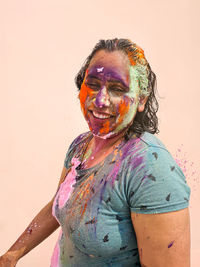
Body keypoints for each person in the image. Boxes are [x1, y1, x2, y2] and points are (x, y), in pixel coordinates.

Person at [0, 38, 191, 267]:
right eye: (92, 84)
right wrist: (12, 255)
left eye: (117, 89)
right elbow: (59, 205)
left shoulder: (149, 167)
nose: (100, 100)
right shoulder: (81, 146)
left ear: (141, 100)